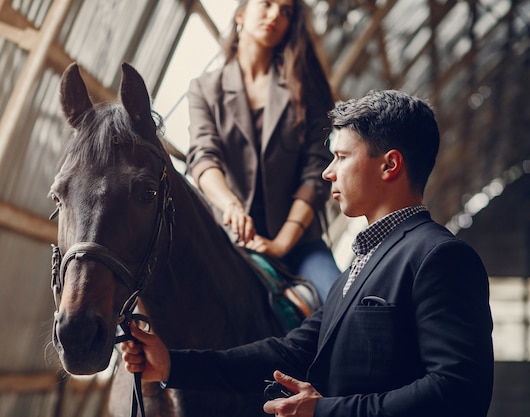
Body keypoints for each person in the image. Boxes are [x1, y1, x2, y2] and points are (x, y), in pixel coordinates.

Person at [121, 90, 495, 417]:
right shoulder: (356, 268)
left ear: (390, 165)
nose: (328, 173)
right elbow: (289, 352)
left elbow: (459, 392)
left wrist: (326, 411)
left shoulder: (440, 257)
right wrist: (173, 365)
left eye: (342, 157)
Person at [186, 0, 340, 301]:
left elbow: (315, 174)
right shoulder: (204, 88)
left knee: (343, 304)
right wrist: (231, 205)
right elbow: (203, 157)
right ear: (240, 14)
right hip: (231, 242)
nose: (274, 16)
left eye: (285, 12)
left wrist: (282, 244)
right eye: (266, 4)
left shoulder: (306, 88)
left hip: (300, 245)